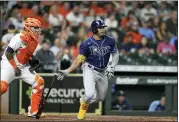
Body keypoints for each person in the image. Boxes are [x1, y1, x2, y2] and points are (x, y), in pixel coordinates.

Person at [56, 20, 119, 120]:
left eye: (103, 27)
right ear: (94, 29)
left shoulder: (110, 40)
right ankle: (82, 111)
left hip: (103, 71)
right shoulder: (87, 44)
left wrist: (112, 67)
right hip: (90, 69)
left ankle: (84, 100)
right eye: (101, 27)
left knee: (100, 98)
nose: (103, 29)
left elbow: (115, 54)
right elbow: (79, 60)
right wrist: (67, 70)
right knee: (89, 94)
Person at [0, 18, 45, 118]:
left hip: (23, 66)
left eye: (39, 28)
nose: (38, 30)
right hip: (9, 65)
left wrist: (34, 58)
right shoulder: (19, 37)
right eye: (36, 28)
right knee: (2, 88)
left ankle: (33, 111)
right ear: (28, 28)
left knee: (39, 82)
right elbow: (8, 53)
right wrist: (15, 67)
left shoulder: (35, 39)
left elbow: (26, 52)